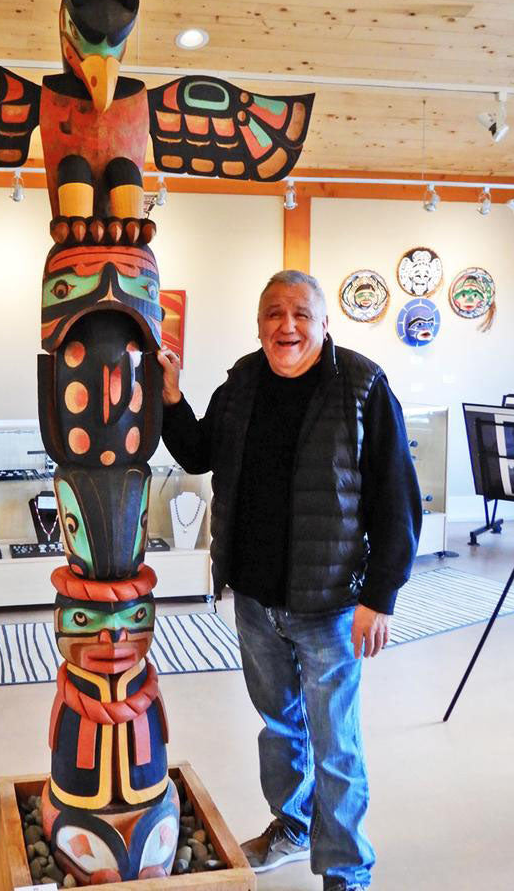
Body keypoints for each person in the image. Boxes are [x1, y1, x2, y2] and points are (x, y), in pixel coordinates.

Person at [157, 270, 421, 891]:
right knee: (278, 726)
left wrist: (378, 597)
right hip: (254, 597)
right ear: (259, 325)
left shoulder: (362, 385)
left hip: (328, 603)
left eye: (302, 314)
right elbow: (197, 452)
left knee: (336, 744)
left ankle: (347, 870)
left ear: (324, 323)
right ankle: (293, 825)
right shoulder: (242, 382)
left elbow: (396, 498)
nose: (287, 326)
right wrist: (171, 396)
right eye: (274, 314)